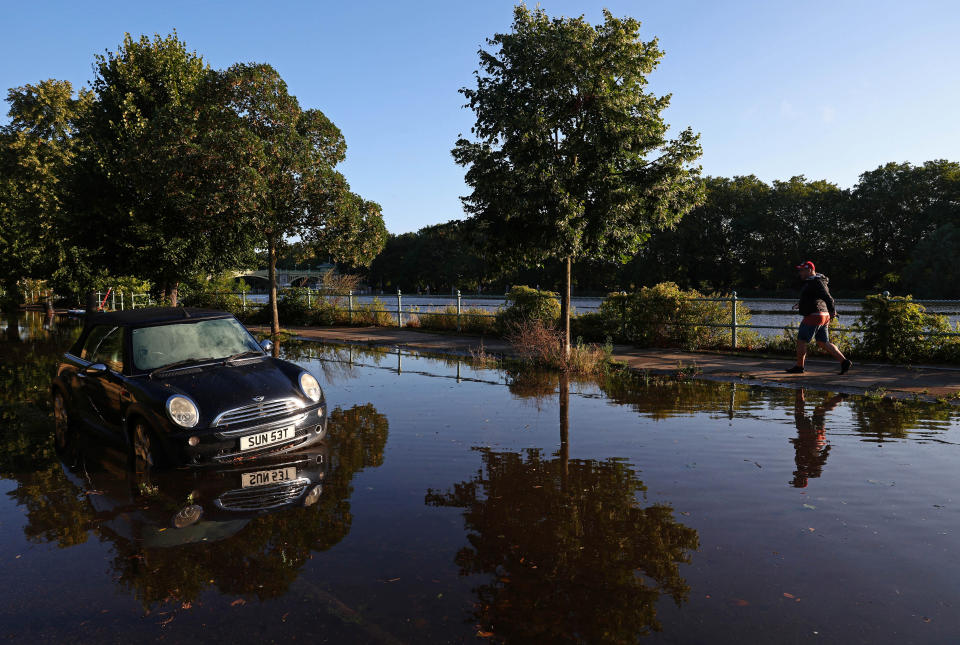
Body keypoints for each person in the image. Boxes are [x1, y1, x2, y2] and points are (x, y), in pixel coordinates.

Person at [786, 261, 852, 374]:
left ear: (810, 270)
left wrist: (832, 312)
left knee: (801, 341)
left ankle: (799, 367)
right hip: (821, 314)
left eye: (802, 270)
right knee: (823, 342)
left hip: (815, 315)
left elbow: (828, 298)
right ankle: (844, 362)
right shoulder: (813, 281)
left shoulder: (817, 281)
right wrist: (801, 304)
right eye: (800, 270)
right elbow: (815, 297)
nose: (800, 273)